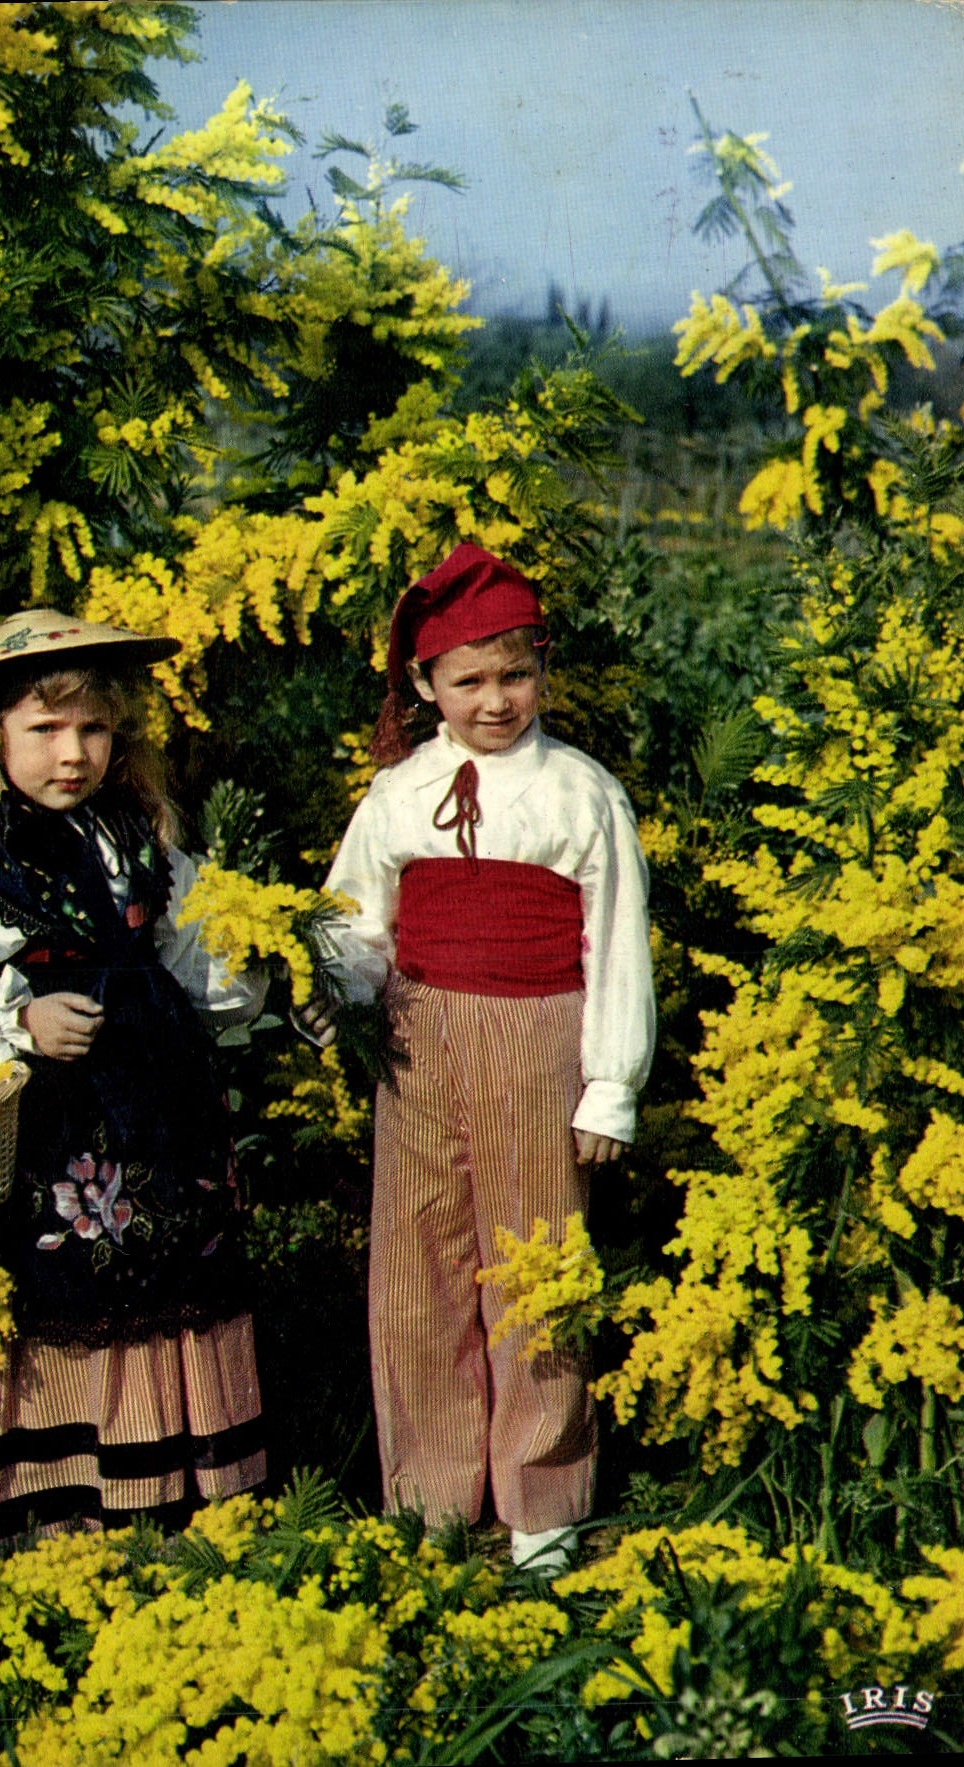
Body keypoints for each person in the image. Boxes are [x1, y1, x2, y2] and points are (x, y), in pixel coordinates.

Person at [0, 609, 267, 1536]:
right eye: (45, 731)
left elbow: (194, 942)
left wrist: (254, 952)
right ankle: (63, 1510)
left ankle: (177, 1493)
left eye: (92, 729)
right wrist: (16, 1020)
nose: (72, 754)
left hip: (163, 1114)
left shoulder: (133, 835)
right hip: (54, 1129)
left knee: (175, 1276)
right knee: (66, 1291)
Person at [311, 543, 655, 1573]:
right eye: (467, 681)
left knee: (533, 1263)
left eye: (514, 676)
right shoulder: (398, 793)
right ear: (425, 687)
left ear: (542, 674)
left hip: (534, 1032)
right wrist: (332, 1000)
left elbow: (617, 939)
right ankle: (429, 1492)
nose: (494, 701)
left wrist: (609, 1087)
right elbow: (354, 922)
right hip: (417, 1041)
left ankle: (541, 1501)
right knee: (416, 1268)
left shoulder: (579, 793)